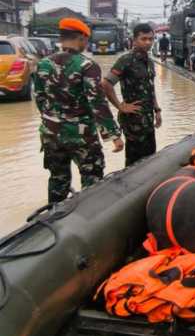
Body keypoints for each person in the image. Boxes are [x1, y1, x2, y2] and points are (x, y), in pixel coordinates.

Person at [34, 18, 124, 203]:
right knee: (92, 181)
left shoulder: (42, 64)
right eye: (86, 40)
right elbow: (97, 103)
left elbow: (40, 98)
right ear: (82, 37)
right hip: (81, 136)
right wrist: (114, 135)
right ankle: (89, 221)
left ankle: (53, 218)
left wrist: (53, 119)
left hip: (50, 133)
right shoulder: (87, 66)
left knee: (58, 180)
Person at [102, 23, 162, 167]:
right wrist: (120, 106)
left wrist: (157, 110)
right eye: (144, 39)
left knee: (150, 159)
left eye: (151, 39)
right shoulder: (126, 60)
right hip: (133, 121)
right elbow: (106, 84)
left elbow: (150, 87)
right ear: (134, 40)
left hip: (148, 119)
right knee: (134, 164)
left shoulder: (149, 62)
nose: (148, 42)